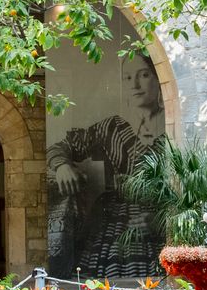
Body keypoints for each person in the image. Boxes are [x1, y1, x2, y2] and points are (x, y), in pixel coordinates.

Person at [47, 53, 165, 278]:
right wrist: (62, 165)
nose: (136, 84)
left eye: (144, 75)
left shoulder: (172, 128)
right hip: (115, 218)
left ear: (158, 78)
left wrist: (159, 219)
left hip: (158, 221)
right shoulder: (113, 127)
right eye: (128, 78)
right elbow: (59, 148)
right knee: (106, 280)